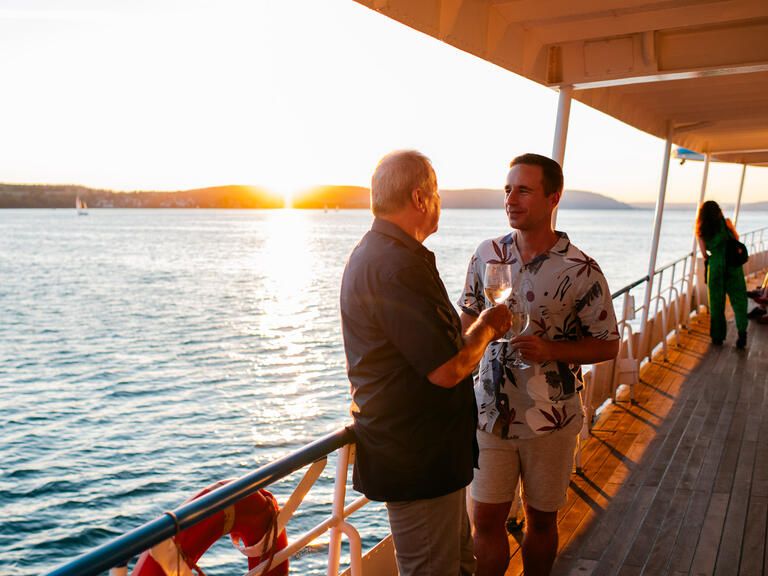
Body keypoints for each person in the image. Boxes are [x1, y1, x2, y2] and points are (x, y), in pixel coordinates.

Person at [340, 150, 512, 576]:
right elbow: (447, 368)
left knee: (459, 563)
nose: (439, 203)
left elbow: (431, 345)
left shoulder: (385, 254)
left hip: (428, 454)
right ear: (419, 199)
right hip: (416, 457)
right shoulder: (396, 265)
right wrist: (490, 326)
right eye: (435, 194)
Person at [458, 153, 620, 576]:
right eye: (508, 189)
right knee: (486, 521)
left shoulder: (581, 268)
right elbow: (465, 320)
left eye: (523, 190)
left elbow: (608, 345)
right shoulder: (486, 255)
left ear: (554, 197)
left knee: (542, 520)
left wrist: (552, 351)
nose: (511, 198)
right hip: (490, 413)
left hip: (551, 417)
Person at [695, 200, 748, 348]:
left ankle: (717, 337)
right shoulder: (727, 223)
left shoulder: (701, 230)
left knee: (716, 303)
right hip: (733, 266)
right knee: (739, 301)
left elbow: (704, 254)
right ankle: (742, 334)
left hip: (716, 267)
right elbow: (736, 239)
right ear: (718, 211)